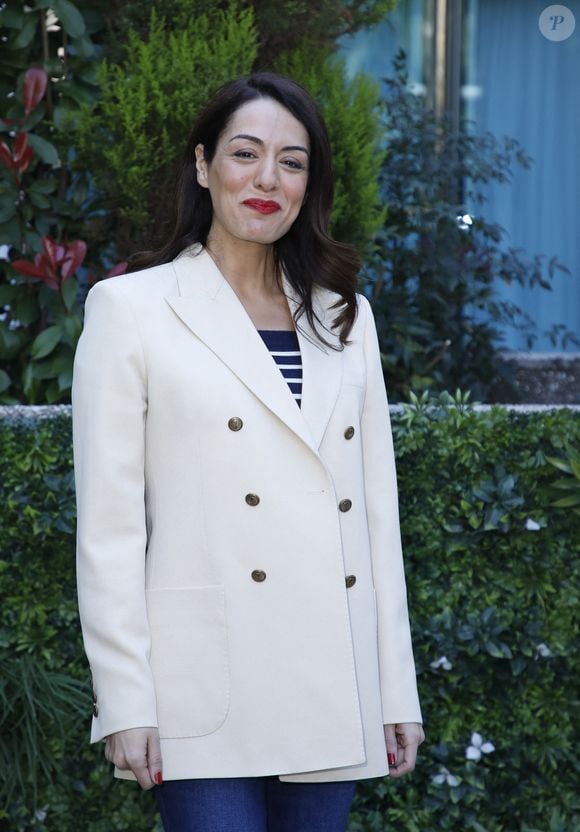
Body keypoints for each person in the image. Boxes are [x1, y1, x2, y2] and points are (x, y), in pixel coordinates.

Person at [72, 72, 424, 832]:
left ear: (310, 184)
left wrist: (395, 691)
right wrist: (125, 700)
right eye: (246, 153)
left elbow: (375, 518)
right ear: (204, 166)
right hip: (202, 685)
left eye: (292, 162)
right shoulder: (130, 309)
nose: (268, 178)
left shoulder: (345, 316)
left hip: (332, 680)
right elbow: (109, 532)